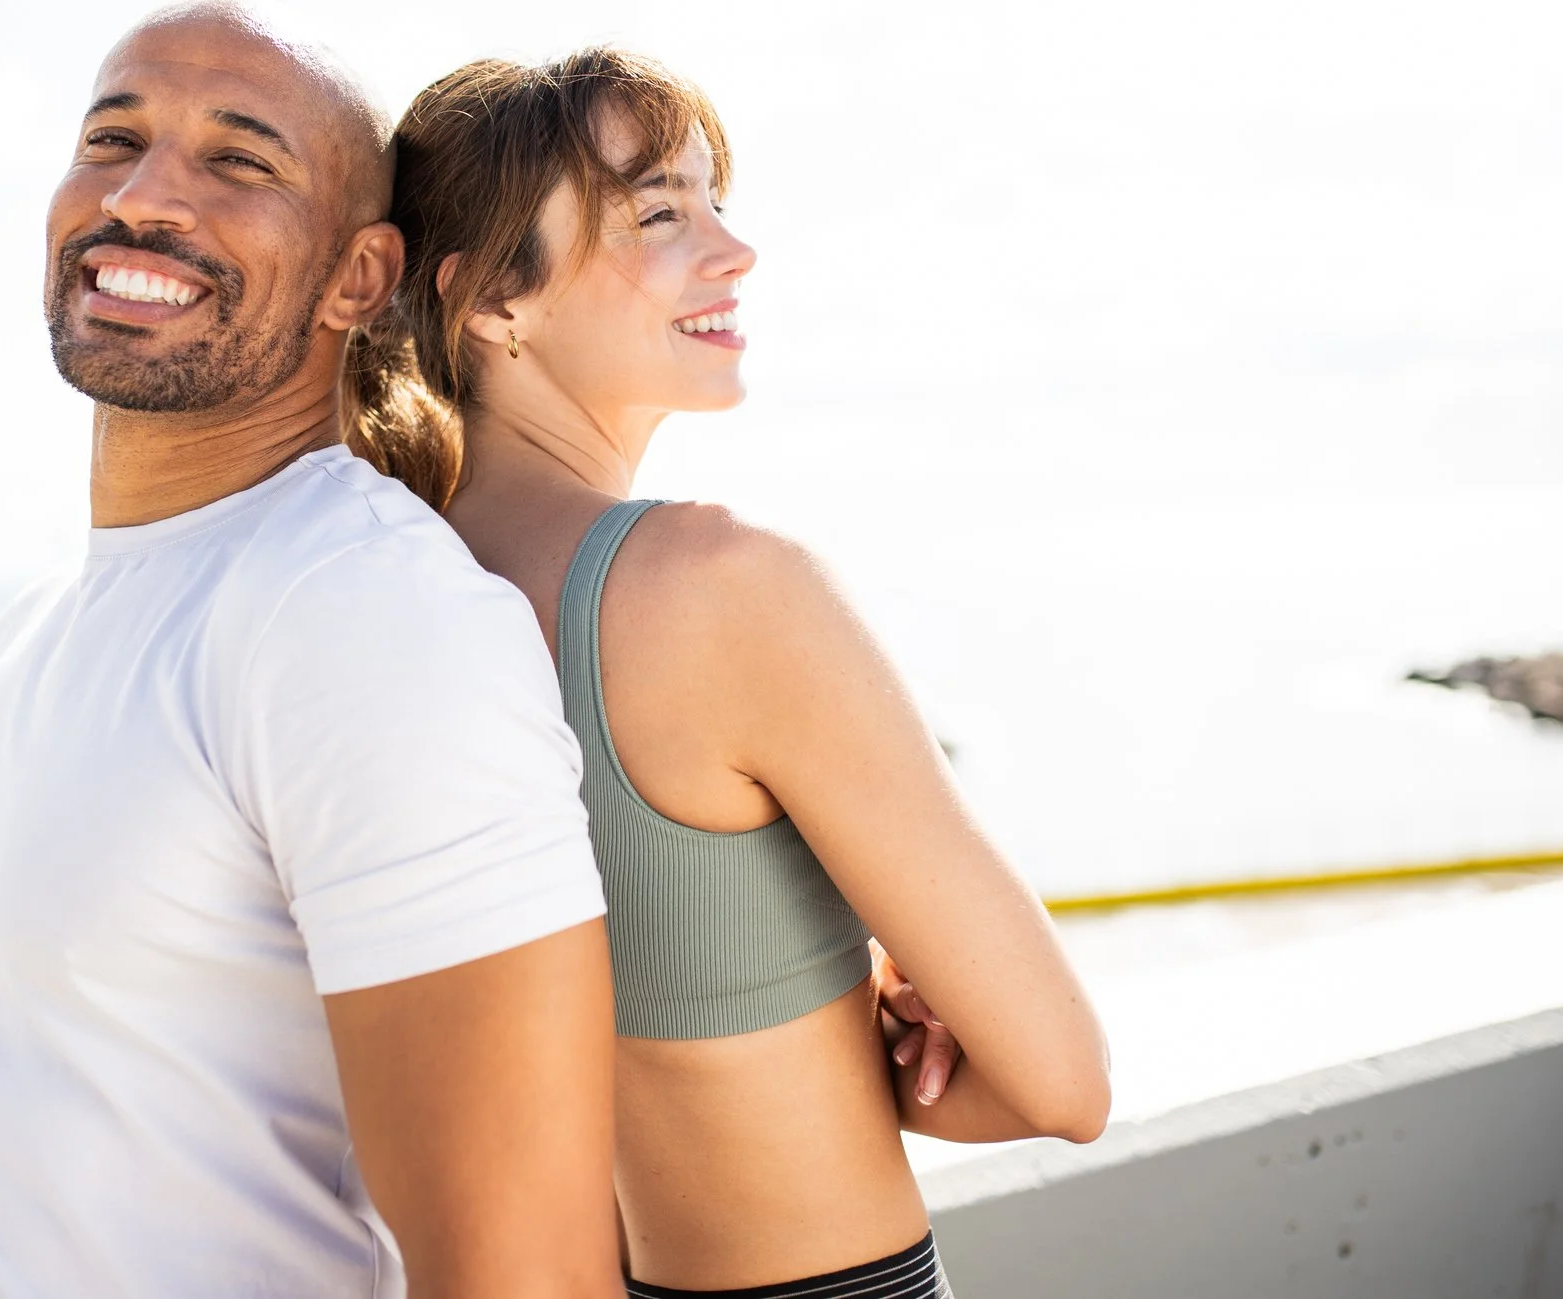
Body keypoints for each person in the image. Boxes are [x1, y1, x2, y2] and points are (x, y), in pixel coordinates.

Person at [0, 8, 633, 1297]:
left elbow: (518, 1271)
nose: (142, 197)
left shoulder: (363, 619)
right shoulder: (47, 623)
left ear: (358, 279)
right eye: (112, 137)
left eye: (239, 161)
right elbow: (0, 1065)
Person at [342, 49, 1113, 1298]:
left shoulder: (386, 600)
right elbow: (1062, 1086)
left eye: (713, 198)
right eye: (658, 212)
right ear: (490, 299)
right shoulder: (716, 588)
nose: (732, 249)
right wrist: (877, 1032)